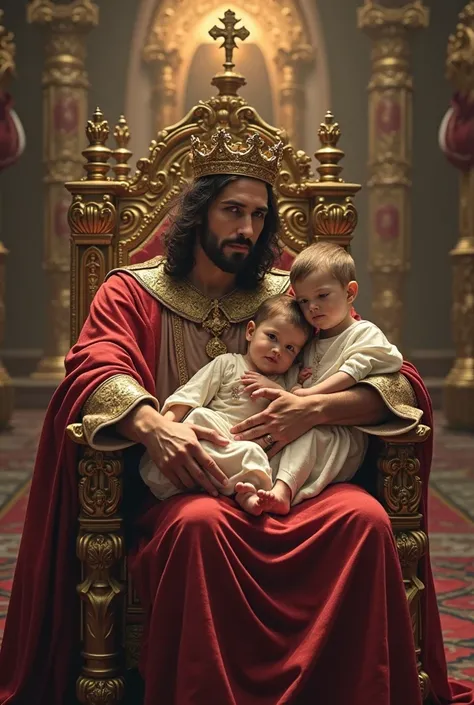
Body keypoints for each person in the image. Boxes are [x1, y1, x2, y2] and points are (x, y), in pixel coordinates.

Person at [0, 128, 472, 705]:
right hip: (188, 485)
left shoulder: (294, 299)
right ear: (197, 213)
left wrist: (311, 409)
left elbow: (391, 376)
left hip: (293, 479)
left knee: (364, 519)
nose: (247, 229)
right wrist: (156, 427)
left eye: (257, 215)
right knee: (202, 526)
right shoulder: (131, 291)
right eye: (231, 211)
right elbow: (97, 364)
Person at [240, 241, 403, 514]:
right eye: (303, 301)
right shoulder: (311, 342)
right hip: (304, 422)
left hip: (337, 435)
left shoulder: (363, 333)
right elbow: (296, 383)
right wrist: (292, 387)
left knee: (308, 436)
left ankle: (283, 492)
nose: (312, 307)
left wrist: (311, 395)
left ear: (350, 292)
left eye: (322, 296)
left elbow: (356, 369)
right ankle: (254, 488)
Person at [140, 294, 312, 515]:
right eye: (272, 337)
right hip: (214, 438)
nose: (278, 350)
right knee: (200, 415)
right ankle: (214, 479)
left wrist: (281, 387)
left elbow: (296, 408)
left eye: (290, 348)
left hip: (242, 447)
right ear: (251, 331)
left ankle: (246, 494)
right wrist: (166, 427)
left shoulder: (285, 381)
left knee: (255, 454)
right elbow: (190, 395)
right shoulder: (228, 363)